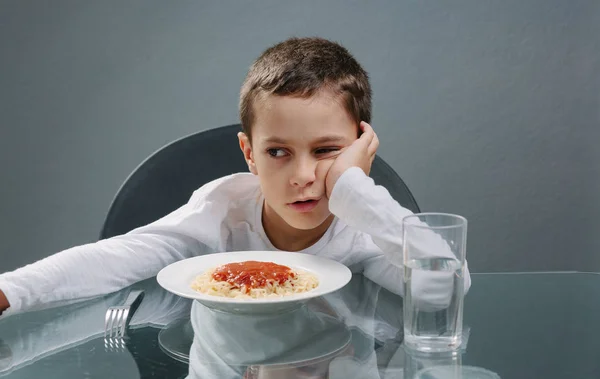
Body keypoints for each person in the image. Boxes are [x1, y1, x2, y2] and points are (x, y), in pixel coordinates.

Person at [0, 36, 470, 318]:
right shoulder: (221, 210)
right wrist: (9, 291)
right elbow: (118, 257)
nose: (302, 176)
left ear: (359, 149)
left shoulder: (365, 226)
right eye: (278, 152)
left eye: (327, 152)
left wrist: (354, 189)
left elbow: (445, 290)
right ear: (249, 154)